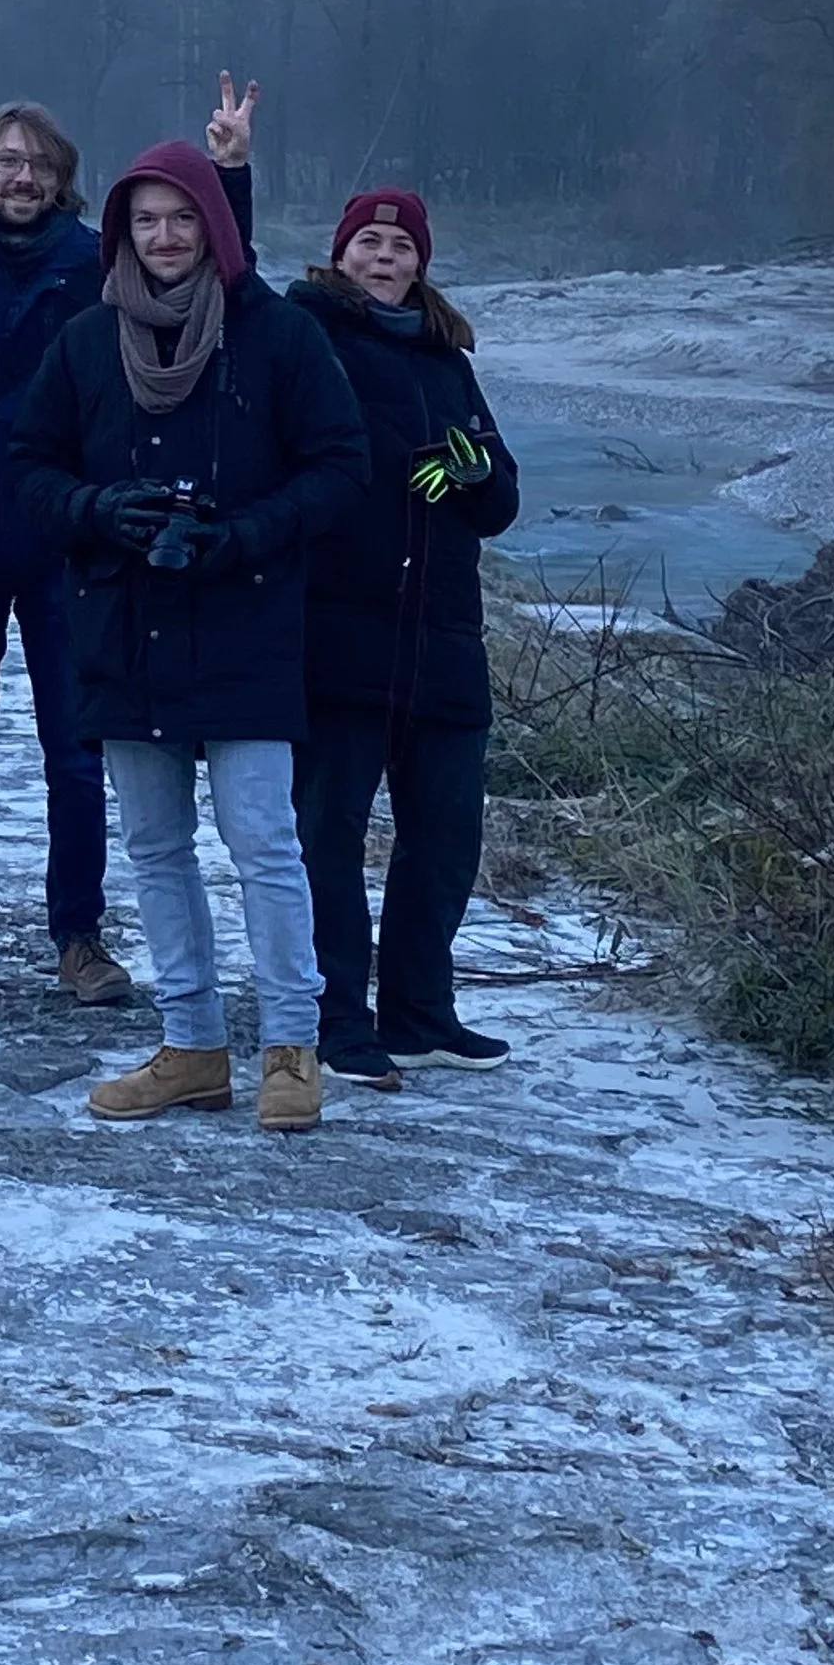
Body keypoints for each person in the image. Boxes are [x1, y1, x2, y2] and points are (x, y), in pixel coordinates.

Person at [0, 96, 255, 1007]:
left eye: (37, 162)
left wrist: (229, 176)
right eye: (5, 160)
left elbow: (218, 290)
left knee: (76, 754)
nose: (21, 176)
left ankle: (79, 933)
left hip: (74, 540)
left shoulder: (96, 272)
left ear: (63, 176)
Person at [13, 141, 367, 1132]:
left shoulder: (277, 334)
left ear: (214, 226)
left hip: (247, 621)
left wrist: (248, 532)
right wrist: (97, 509)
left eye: (181, 218)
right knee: (156, 847)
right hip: (124, 628)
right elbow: (27, 466)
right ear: (120, 231)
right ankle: (193, 1047)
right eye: (144, 220)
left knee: (263, 843)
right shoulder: (86, 341)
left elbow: (342, 467)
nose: (163, 237)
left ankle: (292, 1050)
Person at [288, 190, 521, 1084]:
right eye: (367, 242)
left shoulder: (448, 360)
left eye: (399, 245)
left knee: (448, 831)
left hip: (445, 638)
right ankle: (338, 1015)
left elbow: (500, 502)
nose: (383, 257)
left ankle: (420, 1007)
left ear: (419, 262)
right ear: (341, 255)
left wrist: (472, 469)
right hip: (341, 632)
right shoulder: (309, 334)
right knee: (329, 833)